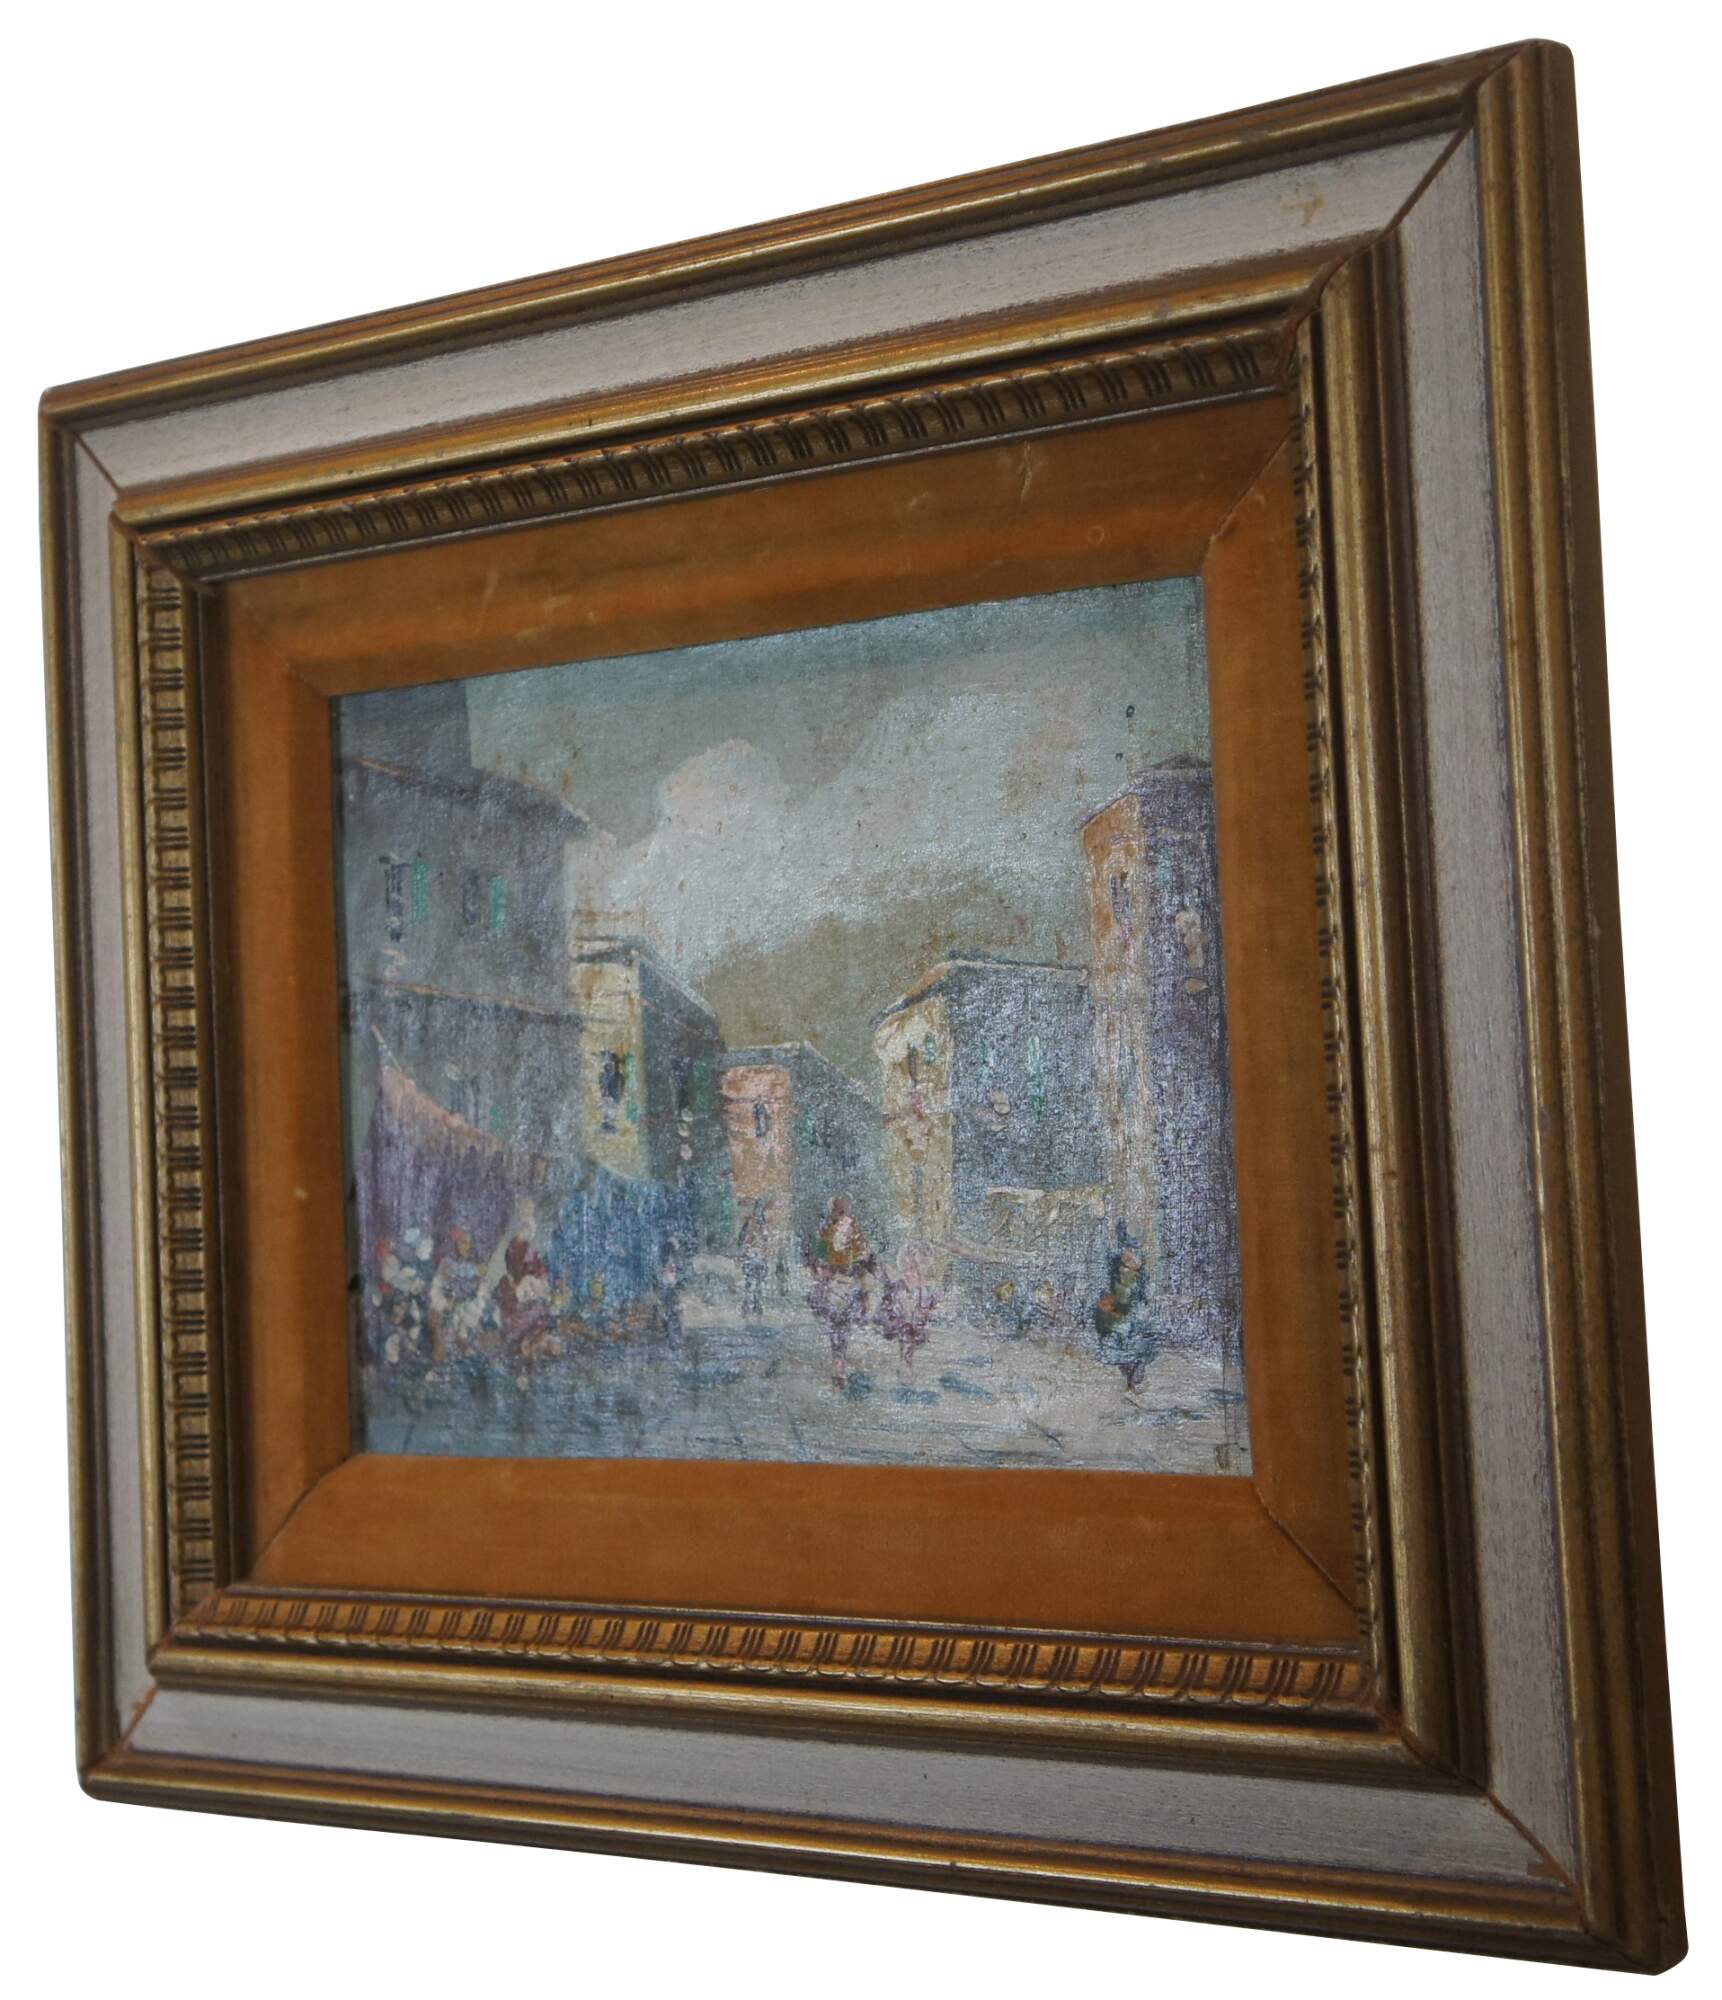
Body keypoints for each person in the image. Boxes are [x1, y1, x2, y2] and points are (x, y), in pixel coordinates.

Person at [808, 1195, 873, 1388]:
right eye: (838, 1211)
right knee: (836, 1324)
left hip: (847, 1280)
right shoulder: (826, 1230)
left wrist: (861, 1280)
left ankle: (839, 1363)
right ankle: (838, 1362)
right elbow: (819, 1259)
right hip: (833, 1282)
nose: (840, 1215)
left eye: (842, 1210)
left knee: (842, 1325)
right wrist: (822, 1272)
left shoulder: (853, 1231)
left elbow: (863, 1257)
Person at [1093, 1224, 1156, 1391]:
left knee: (1135, 1343)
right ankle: (1129, 1378)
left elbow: (1144, 1294)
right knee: (1118, 1344)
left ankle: (1133, 1376)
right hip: (1118, 1312)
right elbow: (1107, 1287)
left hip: (1132, 1314)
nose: (1128, 1256)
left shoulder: (1139, 1274)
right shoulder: (1114, 1264)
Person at [738, 1199, 770, 1319]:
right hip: (758, 1257)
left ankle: (748, 1305)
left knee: (750, 1282)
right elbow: (765, 1241)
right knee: (757, 1283)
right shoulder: (762, 1225)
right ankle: (755, 1305)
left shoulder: (749, 1225)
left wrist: (744, 1252)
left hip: (752, 1257)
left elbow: (742, 1241)